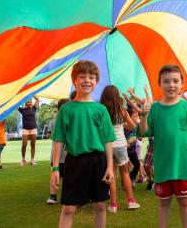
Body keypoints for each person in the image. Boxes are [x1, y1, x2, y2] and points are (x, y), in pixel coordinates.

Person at [50, 60, 115, 228]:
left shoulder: (100, 110)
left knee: (100, 205)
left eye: (91, 77)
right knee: (69, 208)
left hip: (98, 162)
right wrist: (56, 168)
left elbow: (108, 140)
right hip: (75, 162)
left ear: (96, 81)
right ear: (74, 80)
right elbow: (59, 140)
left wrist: (109, 167)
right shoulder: (67, 109)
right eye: (82, 76)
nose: (87, 80)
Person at [138, 65, 187, 228]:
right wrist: (144, 115)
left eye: (175, 81)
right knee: (164, 204)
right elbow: (143, 132)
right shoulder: (154, 109)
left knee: (184, 203)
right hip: (162, 167)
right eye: (166, 81)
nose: (171, 85)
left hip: (184, 166)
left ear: (182, 83)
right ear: (159, 84)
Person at [100, 85, 140, 213]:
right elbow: (133, 126)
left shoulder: (101, 110)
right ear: (117, 96)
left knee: (112, 175)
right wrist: (122, 124)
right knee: (125, 174)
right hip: (121, 146)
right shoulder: (122, 111)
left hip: (107, 147)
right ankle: (131, 202)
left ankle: (113, 205)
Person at [46, 97, 72, 205]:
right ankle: (67, 196)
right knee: (68, 175)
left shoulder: (53, 121)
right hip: (67, 154)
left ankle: (53, 196)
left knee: (56, 174)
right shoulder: (71, 119)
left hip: (55, 155)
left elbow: (48, 135)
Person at [18, 95, 39, 166]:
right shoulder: (22, 110)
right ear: (25, 103)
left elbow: (37, 99)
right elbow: (16, 104)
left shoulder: (34, 108)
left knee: (33, 145)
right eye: (28, 102)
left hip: (33, 128)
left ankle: (32, 160)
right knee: (24, 145)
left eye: (30, 102)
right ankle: (23, 160)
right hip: (25, 129)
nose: (30, 103)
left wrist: (32, 94)